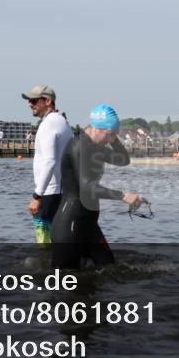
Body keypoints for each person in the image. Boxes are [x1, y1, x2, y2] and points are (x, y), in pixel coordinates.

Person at [51, 105, 146, 270]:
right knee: (65, 283)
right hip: (70, 224)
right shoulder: (78, 146)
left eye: (114, 136)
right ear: (95, 128)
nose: (111, 140)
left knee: (109, 268)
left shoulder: (96, 147)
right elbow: (86, 187)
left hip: (88, 223)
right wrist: (123, 195)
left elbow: (123, 160)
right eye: (109, 135)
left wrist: (113, 137)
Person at [23, 85, 73, 245]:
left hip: (49, 193)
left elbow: (50, 161)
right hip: (63, 191)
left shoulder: (48, 125)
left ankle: (46, 269)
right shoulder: (63, 122)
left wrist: (37, 196)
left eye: (34, 100)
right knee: (60, 239)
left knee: (44, 243)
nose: (30, 104)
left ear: (48, 101)